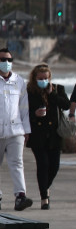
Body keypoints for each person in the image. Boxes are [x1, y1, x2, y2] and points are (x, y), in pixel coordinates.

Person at [25, 64, 71, 209]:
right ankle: (44, 197)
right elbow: (22, 111)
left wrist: (52, 94)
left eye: (46, 78)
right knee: (43, 164)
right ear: (34, 78)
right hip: (37, 135)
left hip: (54, 135)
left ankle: (45, 188)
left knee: (55, 166)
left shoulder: (58, 89)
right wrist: (34, 114)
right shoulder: (29, 91)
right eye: (40, 78)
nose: (43, 80)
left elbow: (66, 105)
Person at [0, 47, 32, 211]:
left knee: (17, 163)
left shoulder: (19, 81)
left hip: (15, 131)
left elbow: (24, 108)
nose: (6, 63)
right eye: (3, 59)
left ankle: (20, 196)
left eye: (9, 60)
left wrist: (26, 130)